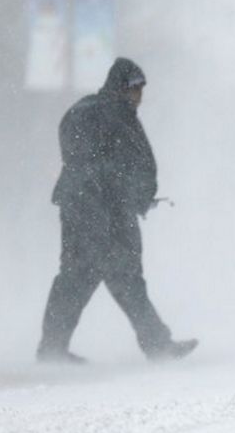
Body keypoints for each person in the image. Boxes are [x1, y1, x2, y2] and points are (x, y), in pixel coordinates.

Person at [36, 58, 197, 364]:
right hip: (106, 207)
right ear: (122, 87)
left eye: (141, 88)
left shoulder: (83, 109)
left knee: (79, 277)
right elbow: (132, 163)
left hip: (79, 204)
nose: (139, 95)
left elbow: (78, 156)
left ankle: (53, 349)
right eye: (135, 88)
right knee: (122, 277)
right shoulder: (117, 115)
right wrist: (135, 195)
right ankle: (157, 345)